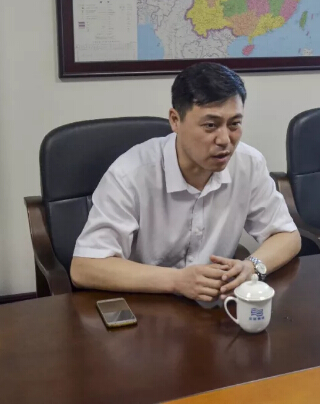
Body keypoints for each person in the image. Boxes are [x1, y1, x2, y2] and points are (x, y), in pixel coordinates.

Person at [70, 62, 301, 302]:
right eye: (210, 125)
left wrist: (251, 266)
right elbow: (85, 266)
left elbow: (287, 235)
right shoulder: (131, 174)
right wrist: (177, 281)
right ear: (175, 120)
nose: (225, 139)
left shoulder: (249, 163)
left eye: (234, 124)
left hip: (214, 305)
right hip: (146, 303)